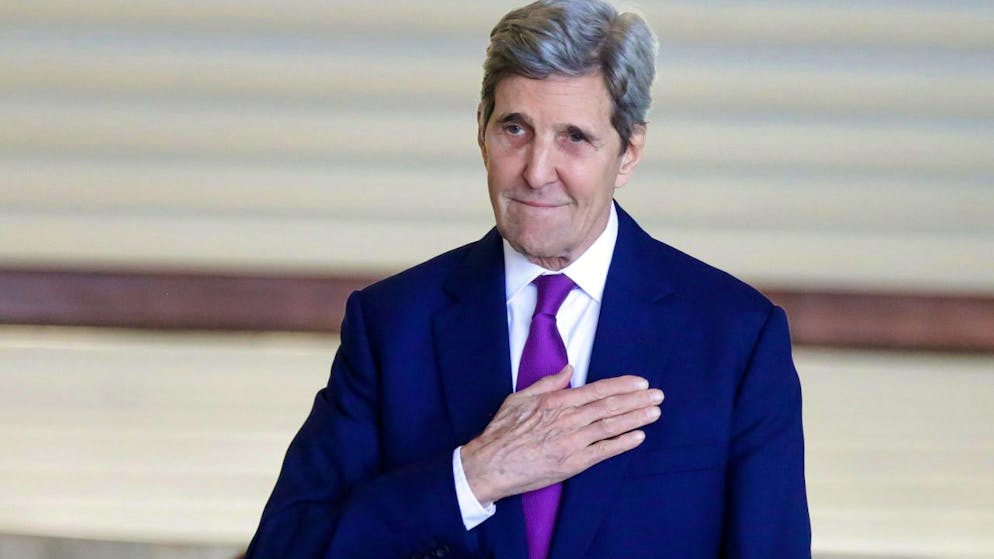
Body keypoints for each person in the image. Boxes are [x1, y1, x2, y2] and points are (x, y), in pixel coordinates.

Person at [245, 1, 811, 557]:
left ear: (629, 152)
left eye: (574, 137)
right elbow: (287, 546)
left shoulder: (736, 336)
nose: (537, 172)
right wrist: (473, 476)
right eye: (515, 129)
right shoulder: (391, 324)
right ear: (480, 131)